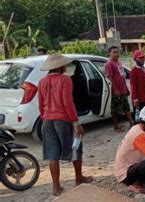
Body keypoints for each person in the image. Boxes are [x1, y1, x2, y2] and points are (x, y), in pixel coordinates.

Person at [38, 53, 93, 196]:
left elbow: (40, 105)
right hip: (63, 119)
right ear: (61, 67)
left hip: (47, 120)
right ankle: (78, 178)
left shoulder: (42, 82)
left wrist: (45, 118)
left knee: (52, 154)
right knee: (76, 147)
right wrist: (76, 122)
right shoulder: (65, 80)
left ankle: (56, 187)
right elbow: (68, 103)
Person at [105, 46, 134, 131]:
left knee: (126, 107)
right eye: (114, 52)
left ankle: (131, 122)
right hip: (116, 91)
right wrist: (115, 89)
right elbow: (110, 77)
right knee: (115, 109)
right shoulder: (109, 64)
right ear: (110, 53)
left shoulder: (119, 63)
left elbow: (122, 77)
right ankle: (116, 126)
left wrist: (126, 88)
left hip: (123, 90)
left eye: (117, 52)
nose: (116, 54)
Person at [130, 50, 145, 119]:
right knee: (140, 119)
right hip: (139, 99)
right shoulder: (134, 71)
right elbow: (133, 86)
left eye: (143, 58)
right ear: (135, 59)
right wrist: (135, 98)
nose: (142, 60)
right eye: (140, 58)